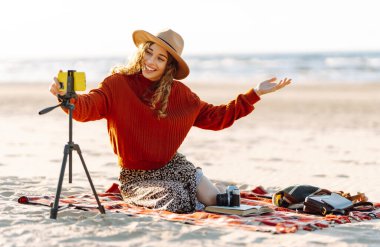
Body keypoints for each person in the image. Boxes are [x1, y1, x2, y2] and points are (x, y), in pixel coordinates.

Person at [49, 29, 291, 213]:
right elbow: (88, 106)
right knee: (177, 199)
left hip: (172, 164)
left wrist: (255, 93)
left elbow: (217, 118)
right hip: (137, 175)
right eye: (149, 52)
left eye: (161, 58)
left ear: (169, 66)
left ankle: (201, 189)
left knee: (217, 201)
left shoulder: (181, 95)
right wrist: (67, 98)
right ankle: (179, 192)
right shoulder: (117, 84)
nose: (151, 61)